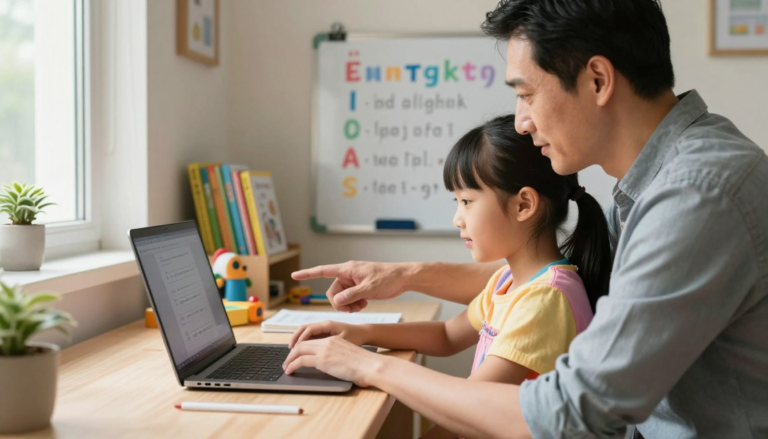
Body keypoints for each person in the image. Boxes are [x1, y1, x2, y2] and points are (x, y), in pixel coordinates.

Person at [284, 1, 768, 437]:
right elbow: (528, 281)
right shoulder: (666, 178)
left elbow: (570, 411)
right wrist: (402, 277)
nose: (520, 121)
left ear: (597, 80)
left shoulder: (696, 196)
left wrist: (369, 367)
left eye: (527, 93)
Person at [287, 114, 611, 438]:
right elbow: (446, 335)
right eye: (456, 201)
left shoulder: (545, 299)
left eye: (467, 201)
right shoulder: (509, 282)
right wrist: (361, 333)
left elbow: (470, 411)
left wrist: (364, 363)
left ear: (524, 204)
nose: (457, 218)